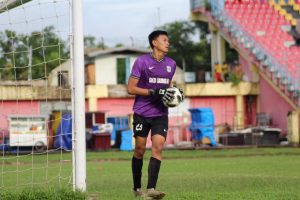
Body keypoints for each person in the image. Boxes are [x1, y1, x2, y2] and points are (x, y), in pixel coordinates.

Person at [127, 30, 183, 199]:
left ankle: (151, 189)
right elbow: (131, 88)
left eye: (168, 40)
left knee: (157, 147)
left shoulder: (171, 64)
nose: (168, 43)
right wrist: (153, 92)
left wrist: (174, 94)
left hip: (160, 113)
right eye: (164, 40)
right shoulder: (141, 62)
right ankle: (137, 188)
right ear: (154, 43)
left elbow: (167, 86)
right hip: (142, 113)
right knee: (139, 150)